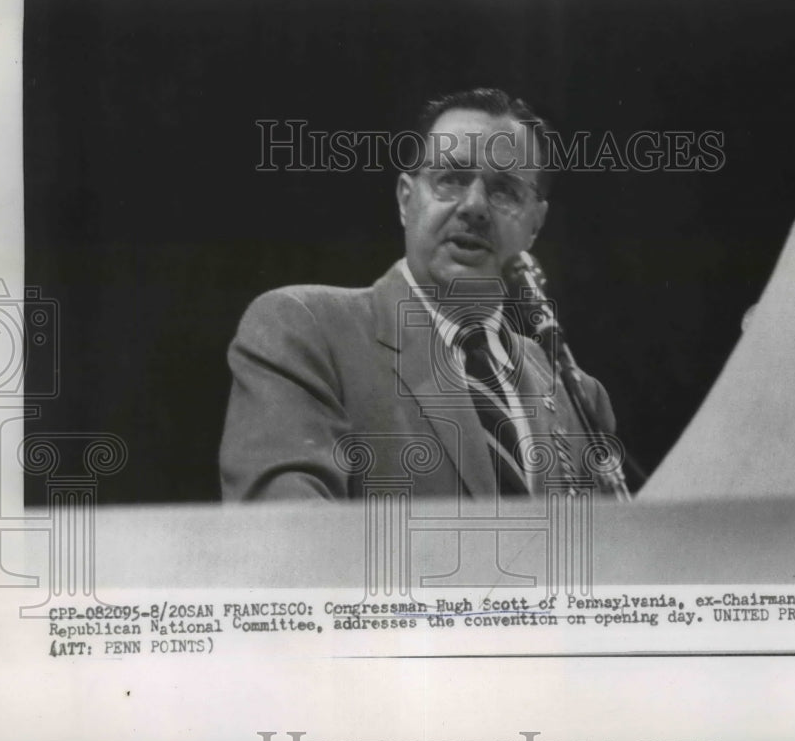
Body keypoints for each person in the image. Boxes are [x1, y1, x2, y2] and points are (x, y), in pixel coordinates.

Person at [220, 88, 617, 502]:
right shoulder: (305, 331)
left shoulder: (577, 395)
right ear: (406, 200)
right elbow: (286, 543)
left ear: (535, 224)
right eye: (451, 179)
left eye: (504, 190)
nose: (475, 206)